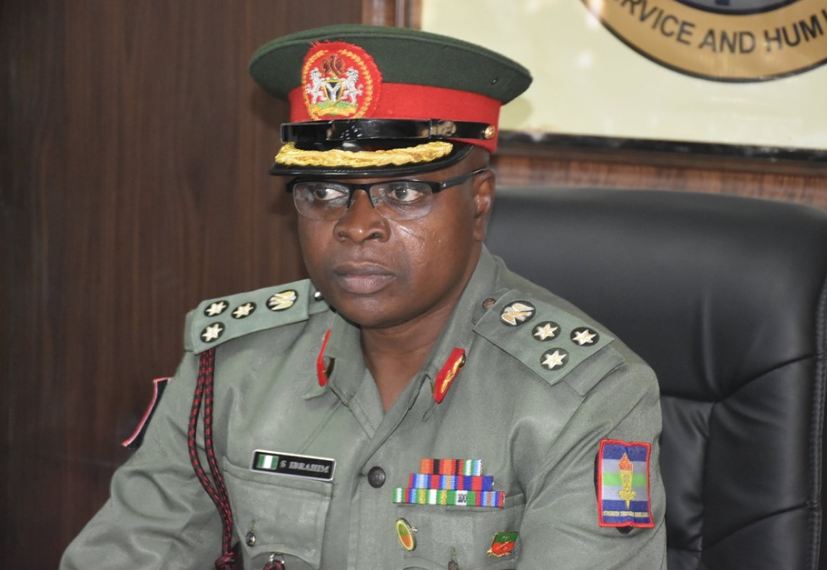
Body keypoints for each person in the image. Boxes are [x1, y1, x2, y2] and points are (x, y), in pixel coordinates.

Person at [61, 24, 666, 570]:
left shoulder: (587, 396)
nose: (355, 227)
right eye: (324, 192)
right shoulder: (232, 365)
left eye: (403, 191)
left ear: (479, 202)